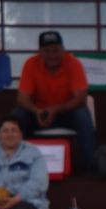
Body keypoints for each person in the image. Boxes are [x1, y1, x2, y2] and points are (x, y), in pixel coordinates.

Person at [14, 30, 95, 173]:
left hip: (66, 113)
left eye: (56, 50)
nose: (52, 55)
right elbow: (22, 98)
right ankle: (15, 165)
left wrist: (55, 110)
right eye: (47, 51)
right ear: (40, 51)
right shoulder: (31, 63)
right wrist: (36, 111)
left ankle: (90, 168)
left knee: (82, 115)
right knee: (17, 115)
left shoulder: (73, 63)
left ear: (63, 49)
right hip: (39, 113)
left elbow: (81, 99)